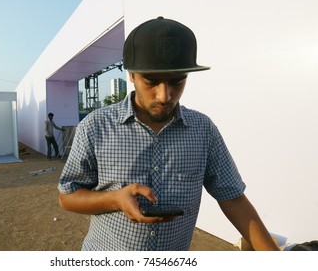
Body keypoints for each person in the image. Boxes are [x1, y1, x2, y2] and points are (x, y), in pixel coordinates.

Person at [58, 17, 279, 251]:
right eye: (151, 81)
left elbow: (233, 198)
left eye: (177, 81)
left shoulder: (203, 130)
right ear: (131, 74)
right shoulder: (96, 127)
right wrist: (115, 199)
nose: (165, 95)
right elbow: (67, 196)